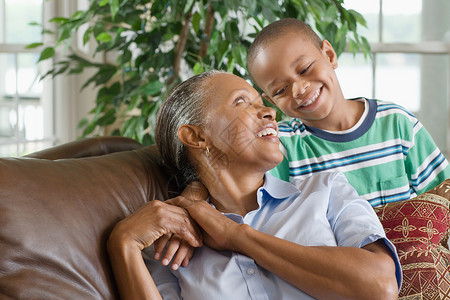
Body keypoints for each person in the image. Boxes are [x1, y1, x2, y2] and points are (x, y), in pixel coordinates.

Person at [107, 70, 401, 299]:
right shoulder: (171, 246)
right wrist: (123, 243)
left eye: (262, 103)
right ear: (197, 138)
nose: (270, 112)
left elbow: (381, 287)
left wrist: (235, 236)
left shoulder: (326, 191)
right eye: (240, 102)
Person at [246, 18, 450, 207]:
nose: (299, 90)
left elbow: (444, 198)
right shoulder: (281, 146)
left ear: (329, 55)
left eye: (305, 69)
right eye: (281, 90)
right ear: (271, 101)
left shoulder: (397, 124)